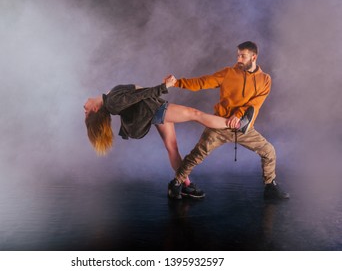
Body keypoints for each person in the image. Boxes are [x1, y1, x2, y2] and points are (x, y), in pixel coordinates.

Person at [84, 75, 254, 198]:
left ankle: (184, 185)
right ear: (95, 109)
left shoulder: (110, 98)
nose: (84, 108)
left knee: (172, 148)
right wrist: (164, 86)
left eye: (84, 110)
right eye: (86, 111)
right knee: (196, 114)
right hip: (156, 110)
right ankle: (238, 125)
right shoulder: (112, 101)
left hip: (153, 110)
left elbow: (132, 96)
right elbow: (140, 95)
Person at [167, 41, 289, 200]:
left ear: (254, 57)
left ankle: (270, 186)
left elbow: (255, 104)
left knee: (269, 151)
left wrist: (238, 114)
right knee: (197, 155)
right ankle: (176, 183)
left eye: (243, 56)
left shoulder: (265, 79)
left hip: (244, 129)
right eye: (238, 55)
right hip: (219, 126)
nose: (239, 59)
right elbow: (203, 82)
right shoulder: (228, 73)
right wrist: (177, 82)